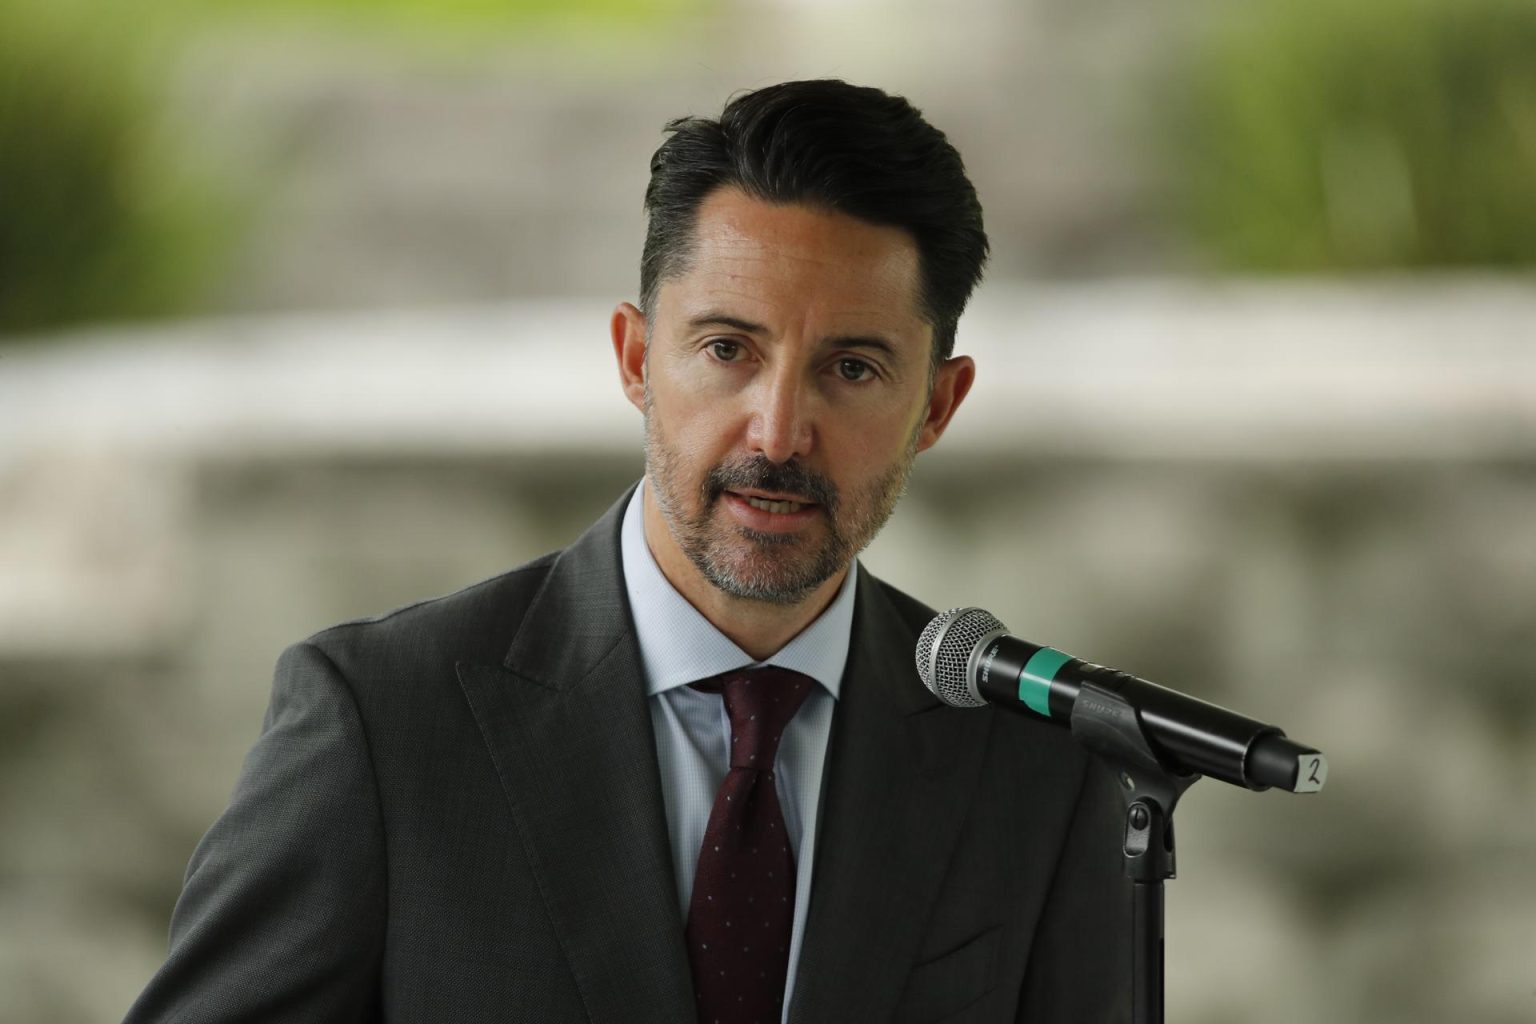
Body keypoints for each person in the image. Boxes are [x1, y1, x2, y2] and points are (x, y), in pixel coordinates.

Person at [125, 79, 1130, 1023]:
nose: (777, 432)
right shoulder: (382, 721)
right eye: (728, 350)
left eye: (853, 367)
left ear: (937, 406)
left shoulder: (1034, 764)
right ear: (638, 359)